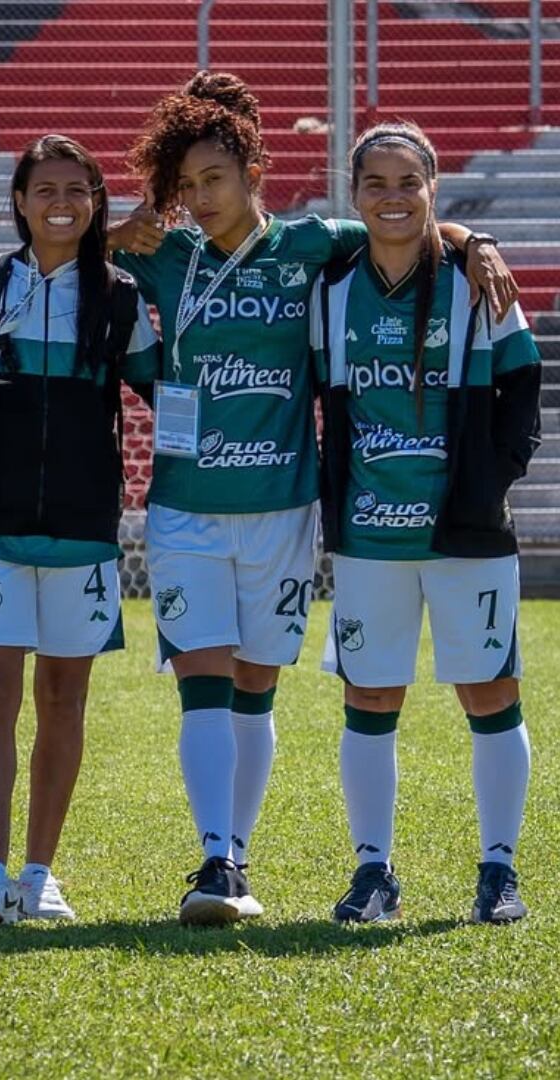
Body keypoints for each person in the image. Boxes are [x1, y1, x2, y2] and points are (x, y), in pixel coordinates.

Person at [107, 71, 516, 925]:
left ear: (254, 173)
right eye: (185, 186)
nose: (200, 197)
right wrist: (120, 229)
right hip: (185, 505)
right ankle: (219, 863)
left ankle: (254, 859)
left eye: (215, 178)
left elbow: (396, 221)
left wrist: (469, 236)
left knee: (257, 681)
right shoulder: (164, 254)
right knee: (207, 682)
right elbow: (72, 246)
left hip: (287, 508)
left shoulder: (311, 247)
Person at [0, 135, 159, 924]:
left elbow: (163, 394)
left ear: (96, 203)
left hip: (84, 530)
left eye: (79, 189)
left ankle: (39, 873)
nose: (62, 201)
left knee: (63, 702)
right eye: (45, 188)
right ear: (19, 201)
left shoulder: (121, 295)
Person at [315, 122, 539, 926]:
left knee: (489, 693)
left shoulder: (476, 283)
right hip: (371, 536)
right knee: (371, 696)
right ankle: (373, 872)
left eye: (408, 181)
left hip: (465, 535)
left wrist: (490, 484)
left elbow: (522, 387)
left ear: (432, 188)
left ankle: (498, 872)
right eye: (374, 183)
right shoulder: (332, 290)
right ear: (354, 196)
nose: (392, 197)